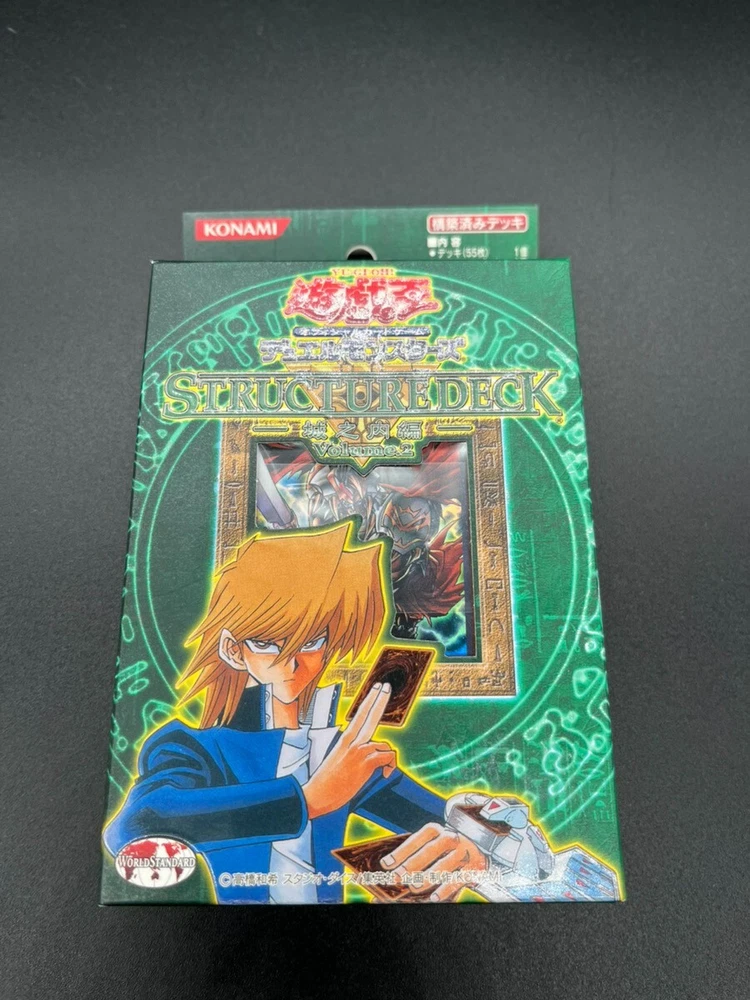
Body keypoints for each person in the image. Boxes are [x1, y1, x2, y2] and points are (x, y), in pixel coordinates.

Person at [103, 522, 485, 903]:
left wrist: (472, 851)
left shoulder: (341, 753)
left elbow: (453, 827)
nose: (291, 664)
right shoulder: (198, 748)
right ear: (233, 650)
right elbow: (133, 828)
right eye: (265, 644)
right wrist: (311, 798)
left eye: (311, 641)